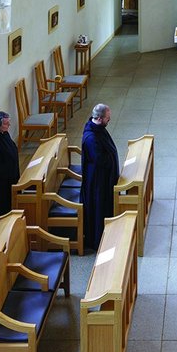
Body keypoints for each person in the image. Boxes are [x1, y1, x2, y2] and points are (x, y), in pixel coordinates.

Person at [81, 103, 119, 250]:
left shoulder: (99, 128)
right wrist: (111, 159)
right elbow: (99, 159)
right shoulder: (91, 137)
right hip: (96, 181)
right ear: (100, 118)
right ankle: (98, 239)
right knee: (98, 208)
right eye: (108, 119)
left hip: (102, 178)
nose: (109, 121)